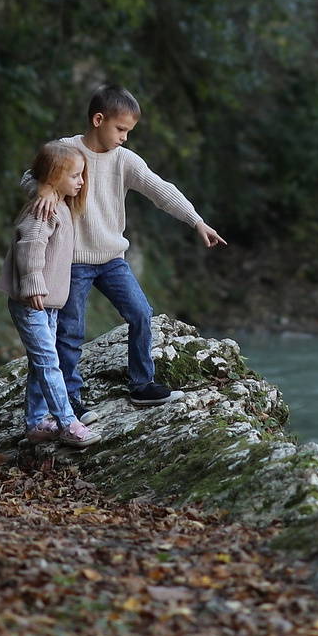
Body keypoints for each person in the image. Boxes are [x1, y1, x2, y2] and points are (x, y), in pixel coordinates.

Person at [51, 84, 226, 408]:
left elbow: (161, 190)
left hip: (112, 257)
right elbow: (30, 177)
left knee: (141, 313)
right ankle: (69, 398)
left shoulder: (125, 161)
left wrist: (196, 220)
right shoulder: (67, 150)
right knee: (71, 331)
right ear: (98, 119)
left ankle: (141, 384)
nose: (124, 137)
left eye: (129, 131)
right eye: (121, 129)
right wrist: (45, 192)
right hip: (73, 260)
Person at [8, 140, 98, 445]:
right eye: (75, 176)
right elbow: (29, 247)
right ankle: (67, 421)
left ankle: (35, 423)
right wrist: (33, 281)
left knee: (41, 362)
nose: (81, 181)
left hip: (49, 304)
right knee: (48, 361)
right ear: (53, 178)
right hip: (32, 302)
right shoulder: (44, 209)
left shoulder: (59, 202)